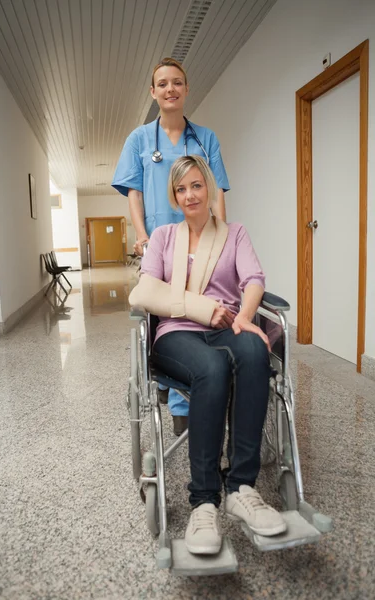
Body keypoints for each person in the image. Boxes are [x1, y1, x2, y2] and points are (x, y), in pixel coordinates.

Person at [129, 155, 286, 555]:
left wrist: (246, 318)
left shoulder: (235, 234)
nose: (189, 195)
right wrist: (203, 309)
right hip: (176, 333)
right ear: (175, 196)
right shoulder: (163, 236)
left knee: (253, 348)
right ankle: (203, 501)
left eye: (196, 185)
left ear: (209, 188)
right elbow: (144, 294)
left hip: (226, 326)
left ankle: (241, 488)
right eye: (181, 189)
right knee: (213, 369)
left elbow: (253, 280)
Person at [112, 57, 230, 436]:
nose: (170, 89)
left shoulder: (205, 138)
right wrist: (143, 235)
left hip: (201, 242)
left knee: (191, 314)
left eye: (177, 82)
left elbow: (215, 193)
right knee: (166, 314)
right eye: (162, 84)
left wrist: (221, 235)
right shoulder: (140, 139)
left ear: (186, 88)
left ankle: (184, 405)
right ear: (153, 92)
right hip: (161, 244)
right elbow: (133, 192)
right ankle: (168, 382)